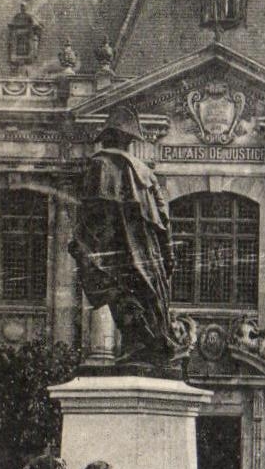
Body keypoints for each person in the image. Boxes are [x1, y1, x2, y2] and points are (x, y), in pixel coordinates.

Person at [69, 103, 182, 370]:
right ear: (129, 140)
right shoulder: (146, 173)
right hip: (147, 254)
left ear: (109, 136)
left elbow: (96, 210)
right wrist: (168, 254)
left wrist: (82, 242)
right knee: (144, 299)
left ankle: (140, 345)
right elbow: (164, 220)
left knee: (116, 292)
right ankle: (146, 345)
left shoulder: (100, 164)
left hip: (118, 250)